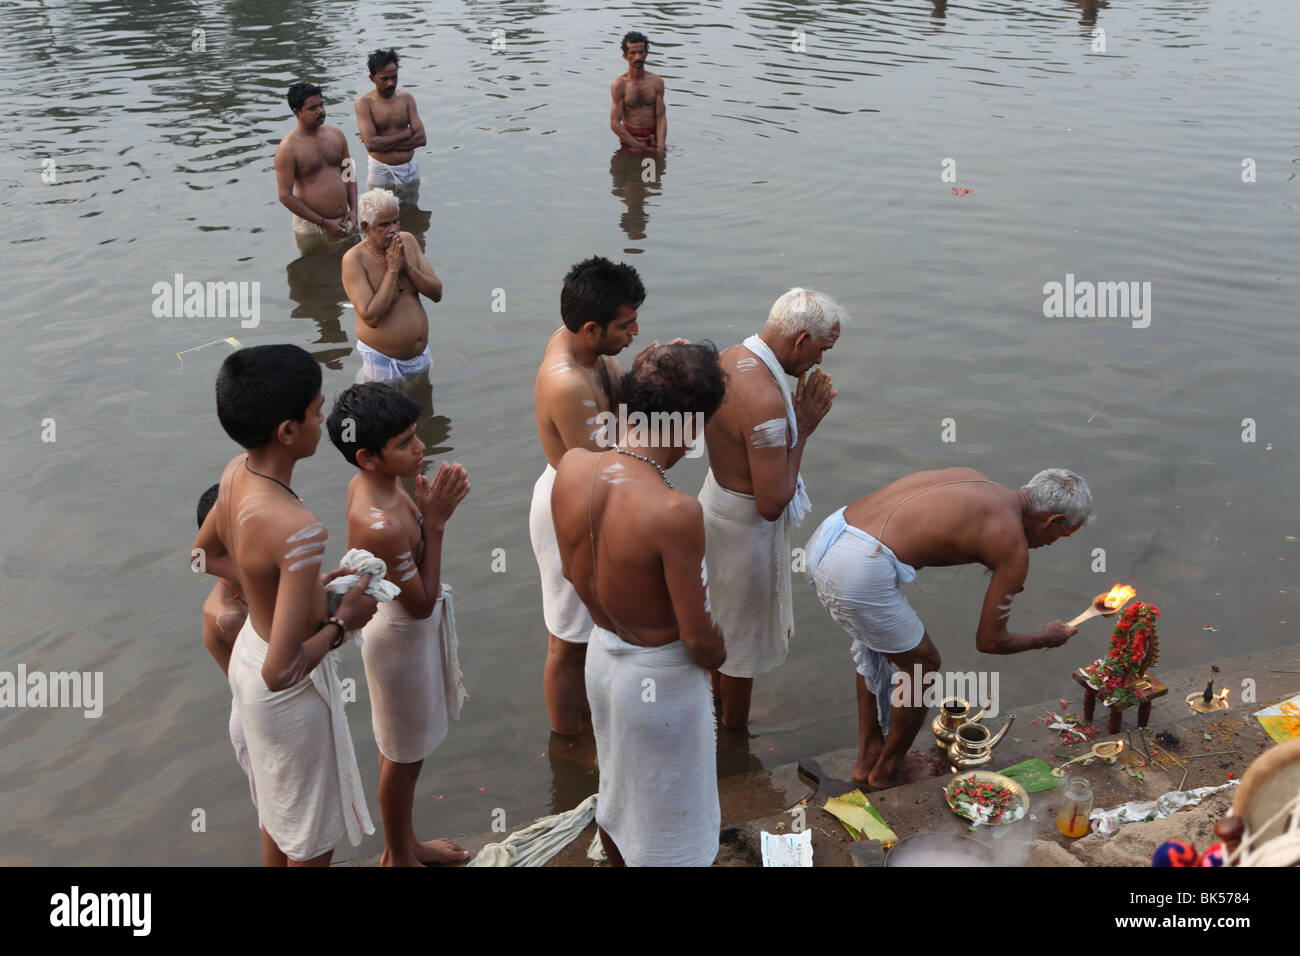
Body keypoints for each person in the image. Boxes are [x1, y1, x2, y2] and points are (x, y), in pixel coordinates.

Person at [193, 344, 378, 866]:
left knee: (278, 818)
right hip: (282, 692)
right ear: (288, 432)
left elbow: (201, 556)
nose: (325, 421)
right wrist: (342, 624)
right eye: (318, 412)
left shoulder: (234, 473)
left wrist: (276, 592)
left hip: (248, 656)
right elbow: (284, 670)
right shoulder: (299, 529)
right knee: (311, 845)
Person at [804, 467, 1092, 789]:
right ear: (1051, 521)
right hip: (857, 565)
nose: (1051, 544)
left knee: (879, 644)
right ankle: (888, 771)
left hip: (831, 534)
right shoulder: (1012, 544)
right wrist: (1044, 638)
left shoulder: (978, 480)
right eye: (1059, 537)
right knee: (923, 665)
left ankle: (870, 754)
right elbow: (990, 641)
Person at [551, 343, 728, 866]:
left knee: (620, 799)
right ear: (692, 428)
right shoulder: (674, 509)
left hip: (603, 661)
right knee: (675, 821)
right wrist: (721, 648)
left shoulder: (573, 466)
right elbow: (698, 641)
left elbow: (568, 570)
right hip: (661, 683)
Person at [327, 383, 471, 866]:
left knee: (405, 752)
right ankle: (397, 856)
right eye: (405, 442)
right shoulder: (380, 523)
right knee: (403, 757)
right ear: (367, 456)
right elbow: (423, 604)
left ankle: (406, 843)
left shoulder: (375, 485)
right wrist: (436, 523)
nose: (421, 447)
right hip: (399, 641)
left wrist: (424, 515)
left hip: (402, 633)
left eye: (416, 435)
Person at [699, 288, 842, 727]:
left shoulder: (728, 358)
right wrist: (804, 429)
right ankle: (734, 737)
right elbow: (772, 502)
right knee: (741, 645)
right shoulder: (765, 400)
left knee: (717, 627)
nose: (820, 362)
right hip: (742, 529)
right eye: (822, 349)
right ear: (800, 341)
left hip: (715, 505)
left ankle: (715, 719)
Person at [531, 255, 649, 735]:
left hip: (594, 496)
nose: (634, 332)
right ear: (591, 328)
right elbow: (603, 470)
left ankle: (592, 724)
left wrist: (653, 372)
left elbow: (622, 405)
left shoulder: (587, 350)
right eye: (626, 325)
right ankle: (566, 738)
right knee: (568, 638)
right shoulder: (567, 382)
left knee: (595, 630)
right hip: (573, 504)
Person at [195, 483, 258, 814]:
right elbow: (282, 665)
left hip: (269, 709)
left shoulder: (255, 588)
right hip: (256, 719)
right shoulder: (226, 615)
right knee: (280, 822)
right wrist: (336, 622)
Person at [341, 188, 443, 383]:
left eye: (396, 221)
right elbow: (371, 317)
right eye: (384, 225)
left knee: (425, 408)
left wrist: (408, 268)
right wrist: (393, 271)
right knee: (385, 413)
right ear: (366, 227)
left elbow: (437, 293)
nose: (394, 229)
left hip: (420, 356)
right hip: (383, 362)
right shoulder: (354, 259)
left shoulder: (408, 241)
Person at [275, 82, 359, 243]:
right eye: (313, 108)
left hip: (345, 218)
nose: (320, 111)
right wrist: (324, 223)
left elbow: (349, 172)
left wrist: (354, 209)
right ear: (297, 112)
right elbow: (285, 196)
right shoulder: (288, 148)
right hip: (311, 226)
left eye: (321, 105)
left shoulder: (337, 135)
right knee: (314, 266)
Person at [354, 48, 426, 197]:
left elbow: (421, 139)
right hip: (380, 169)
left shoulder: (407, 99)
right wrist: (405, 134)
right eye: (384, 79)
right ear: (372, 78)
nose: (390, 83)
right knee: (381, 213)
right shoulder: (364, 103)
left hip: (408, 168)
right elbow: (372, 144)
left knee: (412, 213)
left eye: (394, 77)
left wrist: (383, 145)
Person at [610, 31, 665, 152]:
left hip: (653, 138)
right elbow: (614, 123)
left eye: (641, 52)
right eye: (633, 53)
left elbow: (661, 116)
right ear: (625, 56)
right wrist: (641, 147)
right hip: (630, 140)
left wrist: (660, 145)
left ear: (646, 54)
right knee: (629, 168)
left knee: (654, 169)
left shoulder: (656, 82)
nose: (638, 57)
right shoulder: (619, 85)